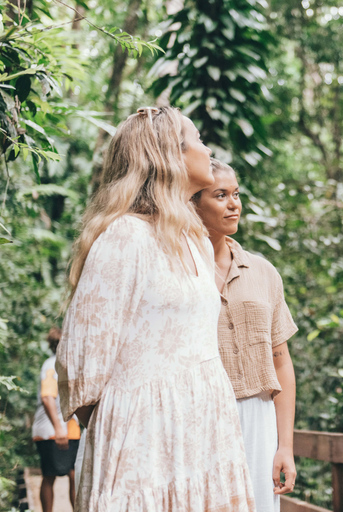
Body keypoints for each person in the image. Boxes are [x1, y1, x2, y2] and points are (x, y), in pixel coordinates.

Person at [56, 107, 255, 511]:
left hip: (204, 426)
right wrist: (124, 429)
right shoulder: (127, 235)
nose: (207, 148)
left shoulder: (194, 239)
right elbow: (83, 356)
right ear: (171, 154)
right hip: (143, 435)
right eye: (198, 139)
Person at [193, 159, 298, 511]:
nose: (233, 203)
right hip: (198, 414)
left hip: (258, 415)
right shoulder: (179, 271)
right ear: (192, 202)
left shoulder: (263, 271)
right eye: (220, 195)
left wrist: (285, 446)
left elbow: (280, 362)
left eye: (236, 194)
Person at [32, 327, 80, 512]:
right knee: (50, 474)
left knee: (75, 474)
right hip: (52, 430)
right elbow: (47, 397)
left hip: (71, 429)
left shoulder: (67, 365)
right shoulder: (52, 365)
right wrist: (59, 428)